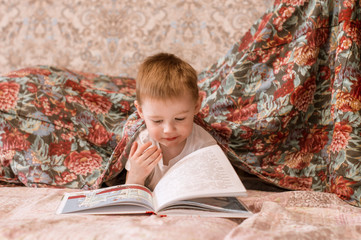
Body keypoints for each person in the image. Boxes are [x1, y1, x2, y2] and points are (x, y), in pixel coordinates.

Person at [125, 52, 217, 190]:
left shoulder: (204, 144)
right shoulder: (144, 143)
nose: (168, 129)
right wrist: (136, 175)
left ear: (196, 106)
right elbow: (130, 192)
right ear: (141, 111)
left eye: (179, 119)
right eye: (157, 121)